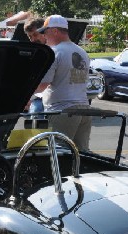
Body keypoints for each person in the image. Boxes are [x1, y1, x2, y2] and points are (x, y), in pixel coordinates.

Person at [34, 15, 92, 151]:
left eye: (45, 32)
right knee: (83, 154)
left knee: (58, 153)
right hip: (84, 108)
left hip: (63, 111)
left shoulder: (55, 53)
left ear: (54, 31)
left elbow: (42, 85)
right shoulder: (82, 52)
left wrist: (23, 94)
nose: (44, 36)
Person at [24, 18, 46, 114]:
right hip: (38, 98)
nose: (33, 40)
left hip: (49, 102)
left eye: (35, 35)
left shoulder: (54, 52)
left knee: (36, 111)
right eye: (30, 37)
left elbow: (45, 85)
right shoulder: (38, 54)